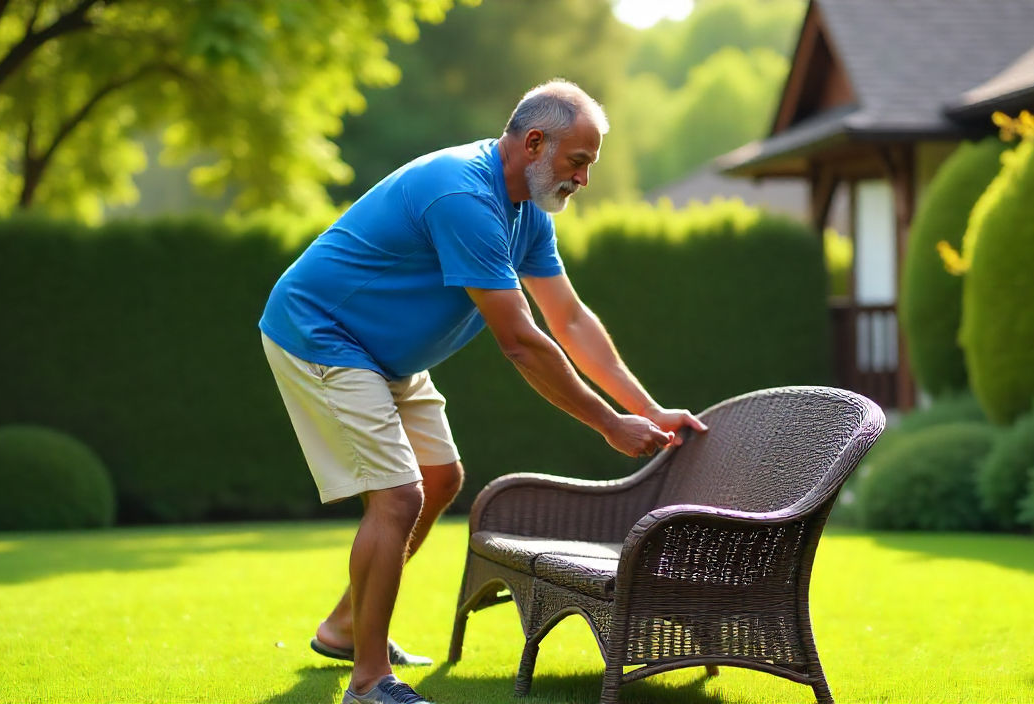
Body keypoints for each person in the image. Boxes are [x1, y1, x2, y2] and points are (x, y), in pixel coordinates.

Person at [258, 79, 709, 704]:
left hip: (384, 354)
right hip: (322, 332)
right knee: (397, 495)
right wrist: (608, 424)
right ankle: (368, 681)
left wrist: (647, 409)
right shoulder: (463, 195)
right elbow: (520, 342)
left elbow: (569, 320)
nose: (583, 178)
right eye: (578, 162)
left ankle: (342, 629)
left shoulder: (525, 209)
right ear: (534, 143)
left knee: (439, 480)